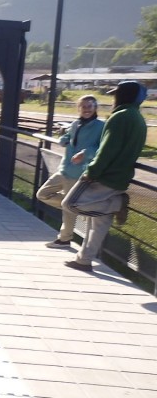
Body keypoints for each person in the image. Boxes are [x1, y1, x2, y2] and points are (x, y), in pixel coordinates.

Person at [61, 80, 148, 272]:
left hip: (104, 175)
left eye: (117, 94)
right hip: (121, 177)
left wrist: (92, 172)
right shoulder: (138, 118)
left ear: (124, 96)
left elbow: (107, 149)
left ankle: (116, 204)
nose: (114, 98)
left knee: (70, 204)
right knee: (99, 222)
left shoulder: (120, 117)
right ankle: (84, 260)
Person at [36, 95, 104, 249]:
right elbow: (68, 136)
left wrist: (85, 153)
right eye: (83, 106)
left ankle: (64, 239)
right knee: (43, 194)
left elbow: (102, 147)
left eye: (89, 106)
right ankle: (77, 207)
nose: (86, 109)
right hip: (64, 169)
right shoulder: (75, 123)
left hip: (79, 172)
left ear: (95, 108)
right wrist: (63, 139)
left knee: (68, 208)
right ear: (78, 108)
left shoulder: (101, 126)